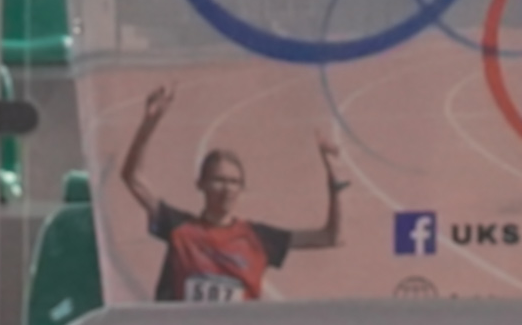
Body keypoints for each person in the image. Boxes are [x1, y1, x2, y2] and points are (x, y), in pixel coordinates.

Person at [111, 84, 348, 302]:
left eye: (234, 182)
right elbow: (132, 178)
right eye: (219, 180)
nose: (227, 189)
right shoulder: (178, 226)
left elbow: (331, 237)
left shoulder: (258, 238)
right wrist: (149, 124)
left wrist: (335, 181)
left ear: (242, 188)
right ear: (201, 184)